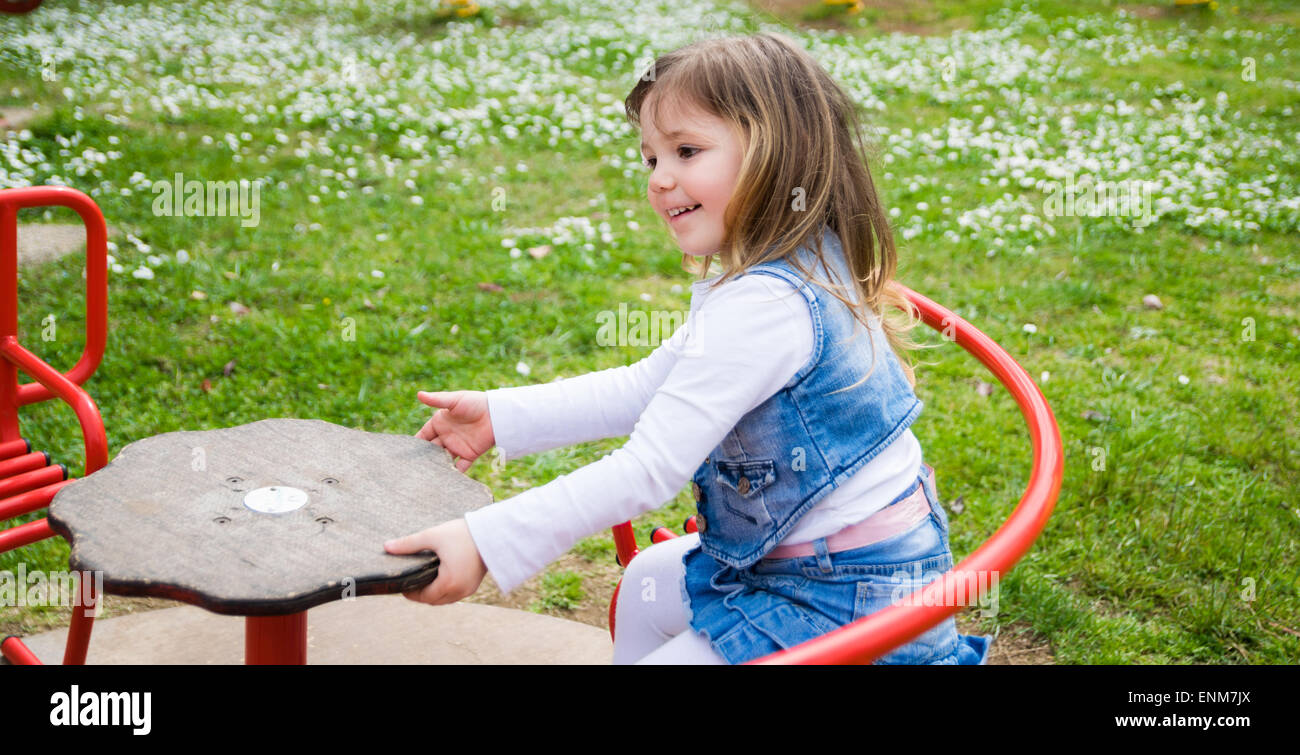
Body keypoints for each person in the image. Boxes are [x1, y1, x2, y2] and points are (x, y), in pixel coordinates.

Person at [385, 31, 992, 665]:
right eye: (651, 159)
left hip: (852, 604)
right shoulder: (781, 267)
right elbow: (649, 387)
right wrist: (502, 416)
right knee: (648, 587)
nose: (660, 178)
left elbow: (647, 468)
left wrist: (487, 543)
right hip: (805, 567)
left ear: (776, 154)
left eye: (686, 150)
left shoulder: (768, 306)